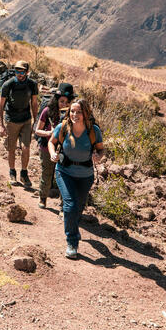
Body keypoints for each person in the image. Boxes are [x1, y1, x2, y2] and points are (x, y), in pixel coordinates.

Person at [48, 97, 105, 259]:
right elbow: (51, 142)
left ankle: (73, 228)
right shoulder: (63, 127)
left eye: (79, 112)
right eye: (72, 111)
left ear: (86, 113)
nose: (74, 114)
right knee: (70, 205)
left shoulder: (93, 131)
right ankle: (72, 242)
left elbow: (101, 150)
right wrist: (52, 153)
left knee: (78, 208)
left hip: (85, 175)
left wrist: (98, 156)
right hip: (64, 172)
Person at [0, 60, 38, 189]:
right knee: (12, 148)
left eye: (22, 71)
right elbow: (1, 105)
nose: (19, 74)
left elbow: (34, 103)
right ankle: (12, 172)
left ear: (27, 72)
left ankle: (24, 173)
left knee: (26, 148)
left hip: (26, 119)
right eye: (17, 71)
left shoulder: (32, 84)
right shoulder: (8, 84)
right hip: (11, 120)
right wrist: (1, 125)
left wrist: (36, 122)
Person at [34, 81, 74, 209]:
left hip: (66, 150)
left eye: (67, 102)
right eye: (62, 101)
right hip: (46, 147)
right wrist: (49, 133)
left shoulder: (74, 114)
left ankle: (63, 205)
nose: (64, 104)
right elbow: (37, 130)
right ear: (57, 99)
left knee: (65, 177)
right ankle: (43, 197)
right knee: (47, 173)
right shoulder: (47, 111)